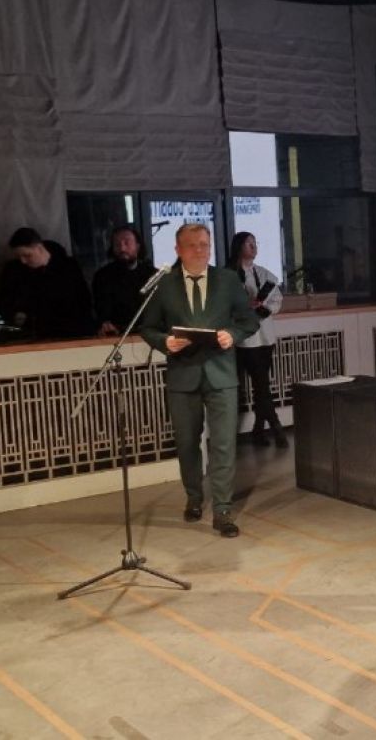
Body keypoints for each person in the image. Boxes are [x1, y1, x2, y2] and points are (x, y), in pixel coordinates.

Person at [140, 224, 259, 538]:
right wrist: (165, 342)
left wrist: (232, 334)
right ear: (178, 250)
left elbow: (248, 320)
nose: (200, 250)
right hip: (182, 375)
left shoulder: (227, 279)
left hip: (221, 374)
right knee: (187, 443)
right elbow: (147, 327)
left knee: (223, 443)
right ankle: (194, 497)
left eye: (205, 244)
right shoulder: (164, 284)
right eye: (192, 245)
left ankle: (222, 509)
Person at [226, 231, 287, 448]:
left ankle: (259, 429)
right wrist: (246, 307)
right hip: (245, 340)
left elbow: (277, 299)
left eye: (255, 243)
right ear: (238, 246)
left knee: (263, 385)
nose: (253, 247)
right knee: (261, 384)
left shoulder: (263, 273)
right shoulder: (229, 275)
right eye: (248, 243)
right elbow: (225, 305)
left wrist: (264, 308)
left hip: (266, 336)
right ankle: (276, 427)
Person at [0, 227, 94, 339]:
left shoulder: (69, 268)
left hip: (69, 334)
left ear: (39, 248)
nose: (23, 261)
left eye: (27, 255)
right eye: (19, 257)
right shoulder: (13, 271)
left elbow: (83, 302)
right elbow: (3, 302)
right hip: (28, 336)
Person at [93, 225, 158, 337]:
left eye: (127, 243)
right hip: (115, 336)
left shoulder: (152, 274)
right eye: (117, 244)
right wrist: (105, 324)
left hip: (150, 335)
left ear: (137, 246)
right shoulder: (102, 276)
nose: (122, 248)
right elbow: (101, 311)